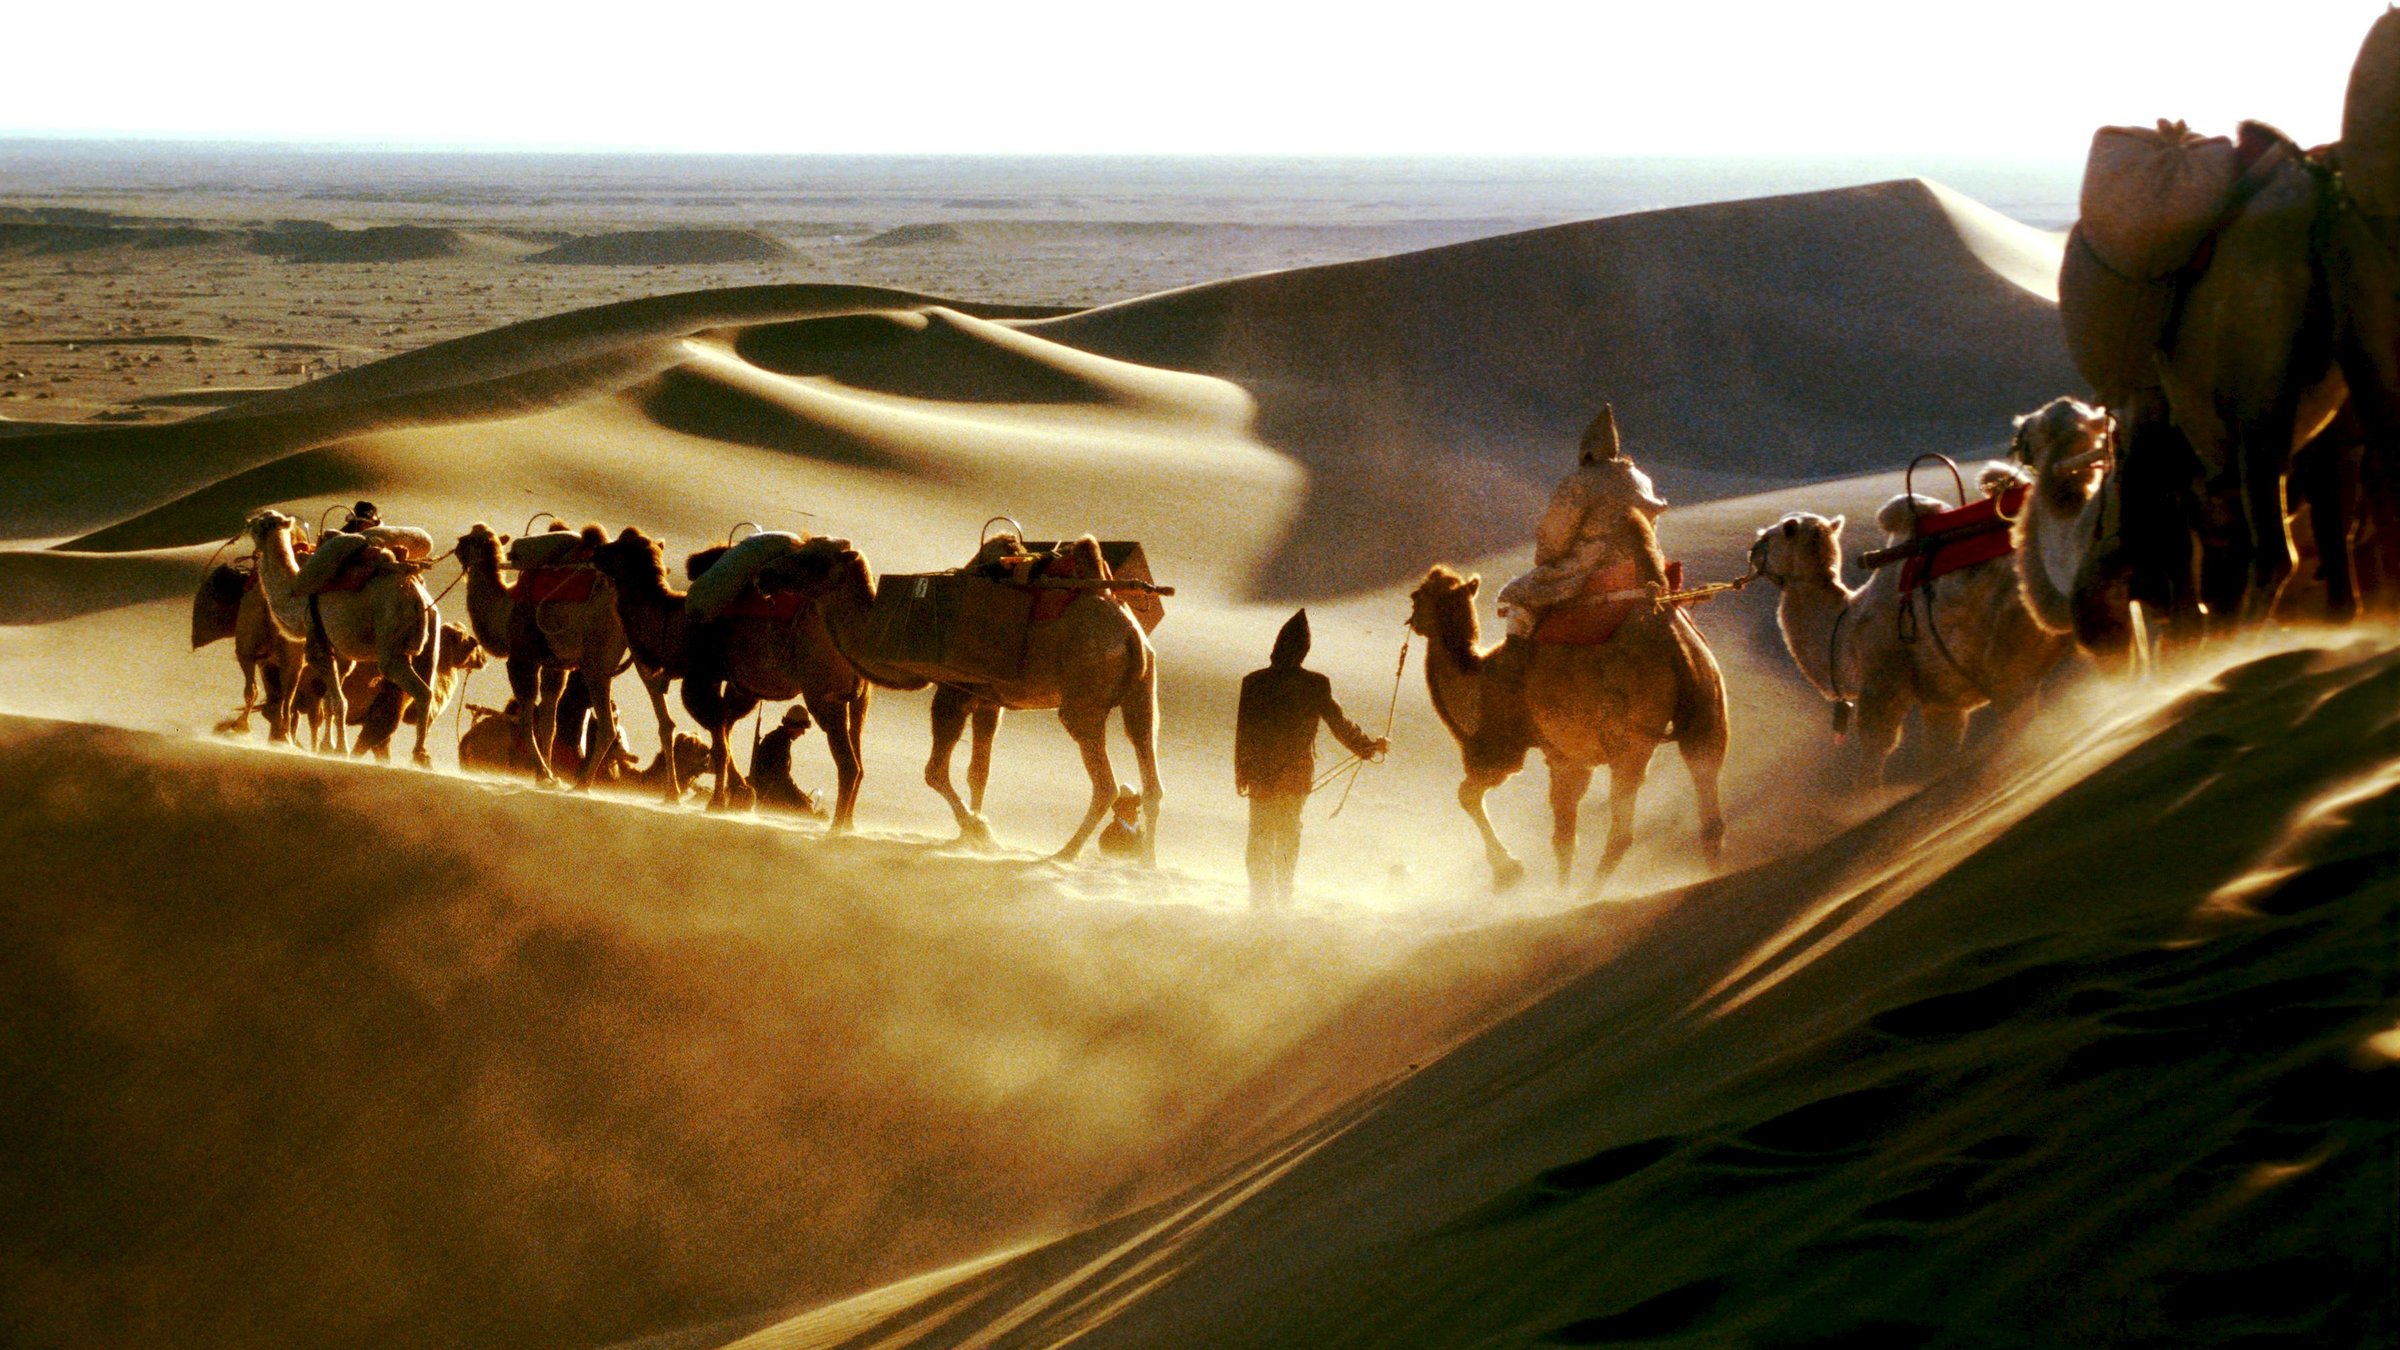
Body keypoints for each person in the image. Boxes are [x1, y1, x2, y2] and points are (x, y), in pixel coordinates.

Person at [1234, 609, 1388, 909]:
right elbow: (1339, 723)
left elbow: (1243, 732)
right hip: (1295, 774)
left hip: (1260, 774)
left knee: (1259, 835)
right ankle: (1284, 896)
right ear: (1303, 650)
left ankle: (1259, 901)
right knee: (1288, 832)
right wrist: (1366, 747)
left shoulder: (1253, 681)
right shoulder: (1316, 684)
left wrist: (1241, 772)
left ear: (1276, 646)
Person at [1496, 404, 1670, 639]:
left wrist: (1546, 561)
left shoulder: (1579, 482)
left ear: (1586, 450)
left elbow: (1555, 537)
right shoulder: (1642, 480)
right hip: (1643, 568)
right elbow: (1649, 531)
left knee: (1517, 595)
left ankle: (1512, 663)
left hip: (1589, 567)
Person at [749, 704, 824, 818]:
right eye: (802, 728)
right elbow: (781, 780)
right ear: (793, 725)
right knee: (806, 812)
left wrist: (800, 795)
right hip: (767, 795)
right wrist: (801, 801)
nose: (803, 733)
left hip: (769, 792)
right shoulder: (778, 742)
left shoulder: (779, 738)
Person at [1096, 785, 1143, 857]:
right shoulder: (1108, 835)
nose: (1135, 808)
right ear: (1118, 807)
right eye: (1128, 804)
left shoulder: (1143, 831)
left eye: (1136, 803)